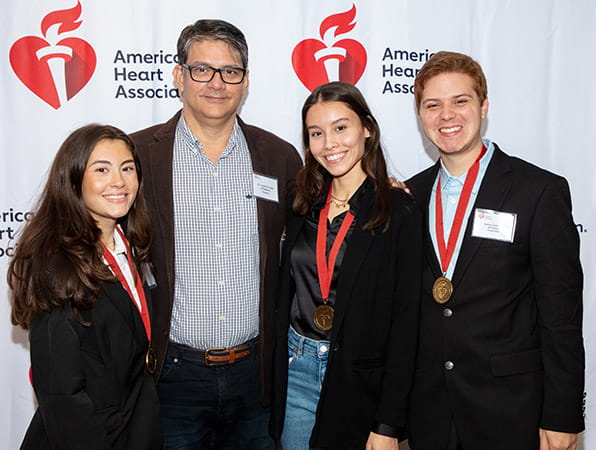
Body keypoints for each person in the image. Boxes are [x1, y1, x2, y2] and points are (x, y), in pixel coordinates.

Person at [130, 19, 302, 449]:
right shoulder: (136, 156)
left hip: (255, 376)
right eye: (202, 69)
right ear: (178, 76)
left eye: (231, 72)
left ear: (246, 82)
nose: (217, 83)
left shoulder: (279, 158)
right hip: (171, 378)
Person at [406, 51, 584, 450]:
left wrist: (562, 413)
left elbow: (562, 316)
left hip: (511, 411)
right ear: (420, 116)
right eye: (432, 105)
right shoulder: (409, 198)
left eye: (460, 101)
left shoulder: (537, 191)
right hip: (428, 411)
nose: (446, 115)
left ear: (484, 107)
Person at [269, 81, 422, 449]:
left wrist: (388, 424)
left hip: (360, 381)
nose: (330, 143)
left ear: (366, 129)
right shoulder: (299, 201)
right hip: (296, 371)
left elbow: (406, 325)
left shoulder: (398, 211)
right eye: (316, 133)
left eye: (341, 127)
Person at [8, 124, 162, 449]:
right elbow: (61, 394)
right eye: (101, 170)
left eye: (127, 168)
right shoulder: (56, 265)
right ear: (74, 178)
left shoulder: (128, 244)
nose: (118, 181)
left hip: (133, 426)